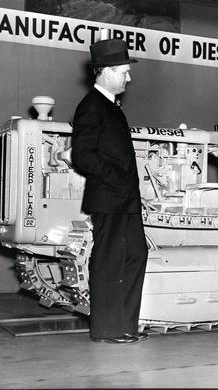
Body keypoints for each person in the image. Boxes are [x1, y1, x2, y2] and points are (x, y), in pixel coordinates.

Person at [71, 38, 149, 345]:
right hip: (110, 197)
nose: (128, 78)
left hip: (124, 199)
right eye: (124, 72)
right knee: (110, 261)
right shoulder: (92, 106)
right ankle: (108, 329)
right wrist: (117, 179)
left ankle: (125, 325)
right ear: (106, 71)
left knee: (135, 255)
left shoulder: (109, 106)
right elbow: (83, 155)